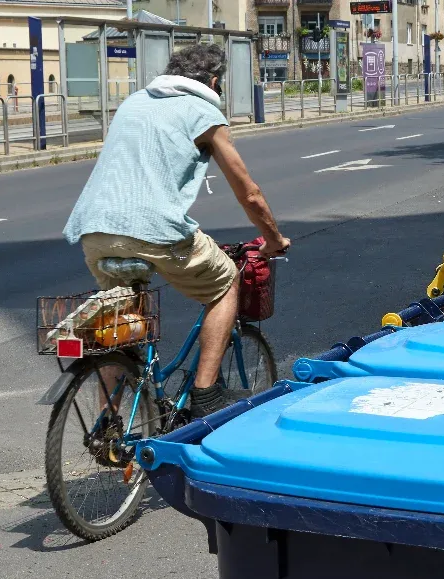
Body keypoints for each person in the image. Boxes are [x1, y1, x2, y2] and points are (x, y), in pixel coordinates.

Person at [63, 43, 290, 419]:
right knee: (226, 281)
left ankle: (109, 425)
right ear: (215, 81)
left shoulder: (134, 102)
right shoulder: (204, 111)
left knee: (123, 321)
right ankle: (206, 394)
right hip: (154, 231)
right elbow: (248, 191)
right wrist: (273, 238)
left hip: (95, 229)